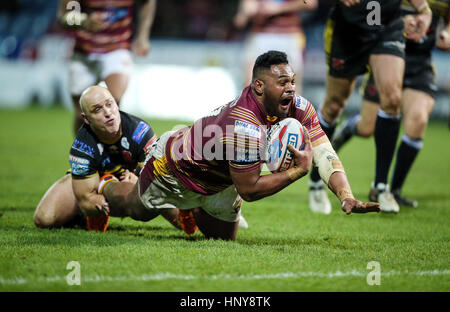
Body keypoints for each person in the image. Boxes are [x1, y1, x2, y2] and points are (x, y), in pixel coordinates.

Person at [95, 51, 380, 241]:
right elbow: (250, 190)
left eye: (292, 81)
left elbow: (323, 150)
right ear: (258, 87)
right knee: (136, 210)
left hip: (221, 178)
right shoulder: (243, 124)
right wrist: (296, 172)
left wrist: (345, 194)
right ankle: (105, 184)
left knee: (224, 242)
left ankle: (191, 210)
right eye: (282, 83)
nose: (291, 88)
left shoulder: (298, 107)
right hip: (174, 170)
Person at [308, 0, 432, 214]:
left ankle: (381, 186)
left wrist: (424, 9)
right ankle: (316, 179)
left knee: (392, 98)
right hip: (348, 29)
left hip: (387, 26)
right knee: (334, 105)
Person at [331, 0, 450, 210]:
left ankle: (390, 189)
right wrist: (398, 21)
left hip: (418, 64)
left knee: (418, 120)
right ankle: (351, 127)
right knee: (367, 128)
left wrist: (446, 35)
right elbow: (375, 12)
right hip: (385, 53)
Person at [33, 86, 184, 232]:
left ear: (116, 104)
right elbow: (86, 201)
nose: (108, 113)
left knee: (182, 222)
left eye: (109, 104)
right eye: (97, 109)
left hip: (130, 179)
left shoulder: (140, 131)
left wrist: (138, 179)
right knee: (44, 218)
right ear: (86, 119)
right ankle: (87, 214)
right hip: (92, 180)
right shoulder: (82, 146)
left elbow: (155, 178)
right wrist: (95, 202)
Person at [58, 0, 157, 133]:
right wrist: (83, 21)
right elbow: (63, 17)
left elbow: (148, 2)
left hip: (117, 48)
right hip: (84, 51)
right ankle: (83, 151)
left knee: (112, 104)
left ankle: (111, 152)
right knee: (82, 114)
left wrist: (143, 36)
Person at [233, 0, 318, 93]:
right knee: (251, 87)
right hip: (260, 35)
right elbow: (244, 14)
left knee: (291, 91)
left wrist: (278, 8)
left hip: (289, 35)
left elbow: (310, 3)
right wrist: (246, 12)